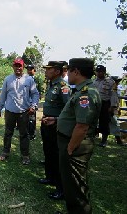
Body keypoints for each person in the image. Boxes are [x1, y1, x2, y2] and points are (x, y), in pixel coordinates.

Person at [43, 58, 101, 214]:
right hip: (70, 141)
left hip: (75, 145)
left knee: (76, 185)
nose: (66, 73)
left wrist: (69, 148)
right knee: (71, 184)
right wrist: (56, 120)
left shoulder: (86, 94)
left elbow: (82, 126)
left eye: (69, 70)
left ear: (76, 71)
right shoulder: (81, 90)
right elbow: (75, 117)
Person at [0, 57, 39, 165]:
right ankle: (5, 152)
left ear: (23, 67)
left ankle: (25, 155)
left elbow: (35, 94)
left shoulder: (29, 79)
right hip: (10, 111)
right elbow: (3, 95)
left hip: (24, 112)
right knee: (8, 133)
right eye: (16, 65)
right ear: (13, 66)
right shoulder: (8, 79)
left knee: (24, 134)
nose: (18, 68)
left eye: (19, 65)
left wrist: (33, 106)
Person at [39, 61, 70, 201]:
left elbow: (68, 109)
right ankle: (50, 178)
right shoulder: (51, 85)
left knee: (57, 156)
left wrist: (56, 119)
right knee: (48, 151)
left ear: (57, 71)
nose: (46, 71)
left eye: (48, 69)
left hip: (56, 125)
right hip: (47, 124)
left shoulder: (63, 87)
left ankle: (61, 189)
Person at [93, 65, 116, 147]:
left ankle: (104, 140)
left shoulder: (110, 82)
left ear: (104, 72)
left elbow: (113, 95)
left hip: (105, 104)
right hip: (95, 104)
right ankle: (93, 137)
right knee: (94, 121)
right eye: (97, 71)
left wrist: (112, 106)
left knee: (104, 122)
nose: (99, 73)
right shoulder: (94, 82)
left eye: (101, 71)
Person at [26, 64, 41, 140]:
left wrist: (36, 102)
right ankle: (27, 133)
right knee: (27, 119)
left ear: (34, 70)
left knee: (32, 119)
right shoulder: (25, 78)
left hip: (33, 102)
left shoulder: (37, 79)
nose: (29, 71)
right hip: (27, 102)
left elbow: (39, 91)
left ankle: (32, 134)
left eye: (31, 69)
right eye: (28, 69)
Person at [109, 76, 126, 146]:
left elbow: (116, 100)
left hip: (113, 109)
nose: (117, 83)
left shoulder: (115, 89)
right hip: (111, 109)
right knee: (115, 124)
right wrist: (112, 108)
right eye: (116, 81)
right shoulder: (111, 90)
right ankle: (119, 141)